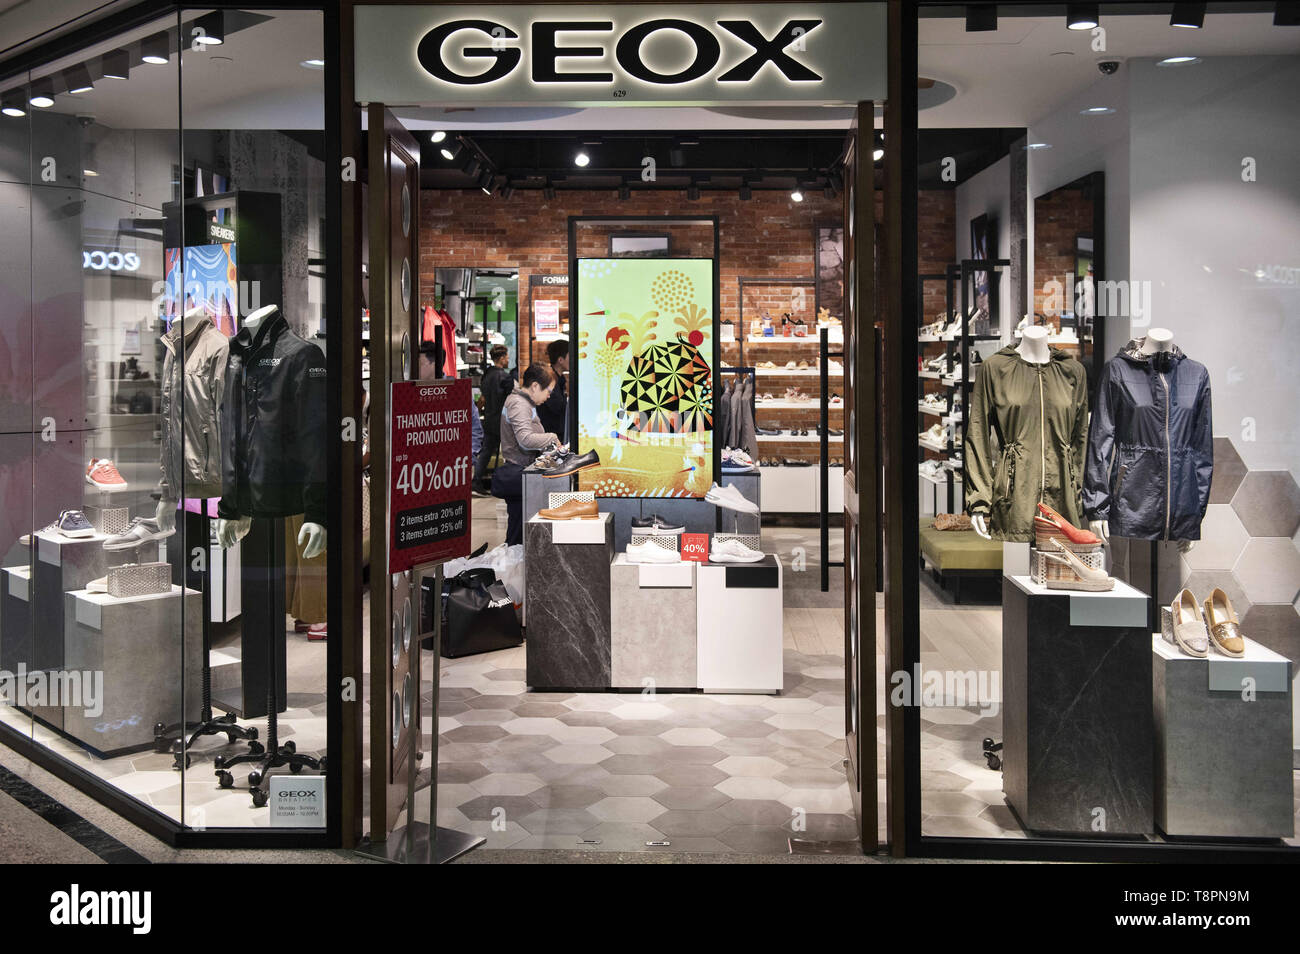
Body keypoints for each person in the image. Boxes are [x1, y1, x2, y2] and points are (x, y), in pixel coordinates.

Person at [492, 364, 558, 546]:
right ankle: (515, 569)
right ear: (535, 386)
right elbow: (524, 439)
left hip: (522, 472)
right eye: (548, 390)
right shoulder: (519, 404)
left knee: (519, 529)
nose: (549, 395)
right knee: (517, 532)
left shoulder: (524, 403)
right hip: (518, 473)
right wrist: (551, 437)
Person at [474, 345, 511, 494]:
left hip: (489, 418)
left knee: (486, 452)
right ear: (502, 359)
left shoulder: (487, 375)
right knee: (508, 453)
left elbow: (483, 398)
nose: (508, 360)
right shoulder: (504, 377)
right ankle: (503, 484)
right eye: (507, 357)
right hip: (501, 420)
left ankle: (476, 481)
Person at [537, 337, 569, 440]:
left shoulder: (560, 379)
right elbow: (558, 407)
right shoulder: (550, 380)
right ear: (560, 360)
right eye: (570, 355)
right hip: (551, 435)